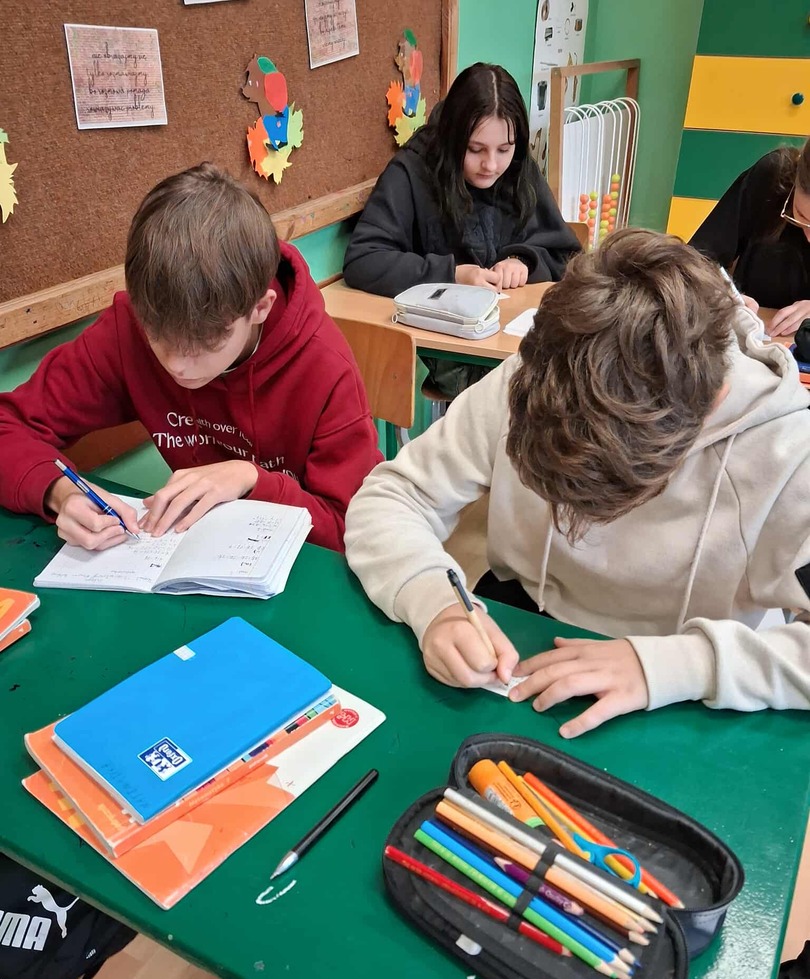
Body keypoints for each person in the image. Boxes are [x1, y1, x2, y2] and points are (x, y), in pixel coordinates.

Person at [344, 229, 810, 739]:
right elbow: (392, 496)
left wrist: (681, 666)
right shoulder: (536, 375)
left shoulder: (788, 449)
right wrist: (435, 604)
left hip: (688, 680)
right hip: (523, 616)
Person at [0, 163, 381, 553]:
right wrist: (59, 492)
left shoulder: (324, 365)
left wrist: (251, 480)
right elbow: (7, 425)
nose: (176, 365)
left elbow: (352, 529)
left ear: (260, 309)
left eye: (204, 344)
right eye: (156, 336)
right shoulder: (128, 328)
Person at [343, 62, 579, 396]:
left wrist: (523, 261)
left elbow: (567, 255)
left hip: (513, 346)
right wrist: (452, 274)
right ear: (453, 137)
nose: (491, 165)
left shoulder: (518, 170)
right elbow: (363, 260)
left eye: (504, 149)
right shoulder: (412, 171)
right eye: (475, 149)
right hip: (449, 351)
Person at [690, 139, 810, 337]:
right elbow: (696, 260)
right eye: (802, 217)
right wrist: (719, 293)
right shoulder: (773, 177)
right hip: (752, 339)